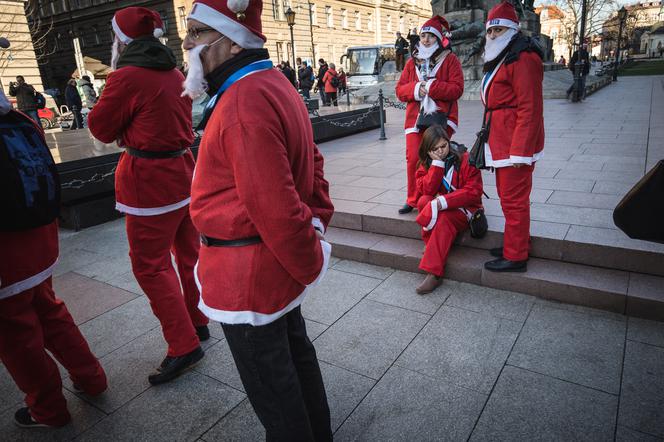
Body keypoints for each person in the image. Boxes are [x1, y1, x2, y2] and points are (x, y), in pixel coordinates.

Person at [182, 0, 335, 439]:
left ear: (231, 42)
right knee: (295, 357)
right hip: (267, 268)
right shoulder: (271, 82)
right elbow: (312, 162)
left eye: (196, 33)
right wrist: (317, 223)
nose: (187, 44)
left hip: (247, 278)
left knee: (272, 384)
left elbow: (276, 205)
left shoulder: (242, 102)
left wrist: (310, 257)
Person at [88, 6, 208, 385]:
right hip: (183, 175)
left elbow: (100, 128)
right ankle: (198, 321)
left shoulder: (125, 77)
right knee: (187, 256)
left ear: (121, 40)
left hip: (148, 185)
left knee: (151, 266)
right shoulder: (173, 71)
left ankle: (183, 344)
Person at [0, 91, 107, 428]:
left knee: (17, 338)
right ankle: (92, 377)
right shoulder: (21, 121)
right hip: (40, 242)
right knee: (50, 311)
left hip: (6, 256)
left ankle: (48, 409)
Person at [479, 1, 544, 272]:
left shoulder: (524, 56)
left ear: (512, 30)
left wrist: (520, 151)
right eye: (490, 31)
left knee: (513, 199)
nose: (492, 36)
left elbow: (530, 107)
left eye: (499, 30)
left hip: (514, 143)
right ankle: (516, 243)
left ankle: (516, 256)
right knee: (510, 197)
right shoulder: (507, 54)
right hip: (502, 138)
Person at [395, 16, 464, 215]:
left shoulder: (450, 59)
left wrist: (433, 87)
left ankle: (435, 194)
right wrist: (417, 88)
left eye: (430, 36)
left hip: (441, 118)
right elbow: (400, 91)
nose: (425, 40)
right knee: (413, 158)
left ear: (438, 39)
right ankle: (414, 199)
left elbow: (457, 89)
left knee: (435, 157)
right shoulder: (411, 63)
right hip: (415, 120)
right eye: (423, 36)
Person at [414, 125, 483, 293]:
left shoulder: (465, 158)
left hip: (465, 209)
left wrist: (443, 201)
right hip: (442, 205)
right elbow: (427, 190)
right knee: (424, 201)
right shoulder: (426, 164)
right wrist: (437, 165)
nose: (440, 151)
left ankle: (434, 273)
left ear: (448, 142)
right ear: (427, 150)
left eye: (443, 146)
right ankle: (432, 243)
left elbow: (473, 192)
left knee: (443, 217)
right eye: (434, 149)